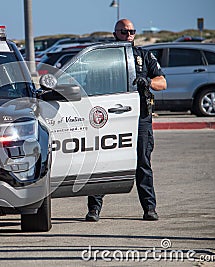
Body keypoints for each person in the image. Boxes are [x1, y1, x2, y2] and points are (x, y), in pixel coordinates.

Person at [86, 19, 167, 221]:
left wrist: (147, 81)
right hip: (109, 118)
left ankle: (149, 208)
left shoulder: (144, 56)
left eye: (132, 31)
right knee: (101, 164)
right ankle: (94, 209)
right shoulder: (103, 58)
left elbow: (162, 82)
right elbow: (89, 83)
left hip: (139, 118)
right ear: (115, 33)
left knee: (143, 164)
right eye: (124, 31)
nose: (128, 35)